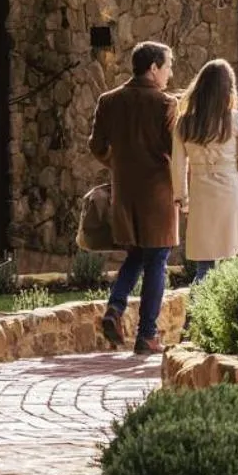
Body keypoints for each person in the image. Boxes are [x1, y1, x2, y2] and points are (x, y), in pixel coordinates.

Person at [88, 40, 179, 354]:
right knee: (157, 260)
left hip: (125, 193)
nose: (170, 73)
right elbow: (174, 151)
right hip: (158, 195)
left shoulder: (109, 100)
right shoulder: (165, 104)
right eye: (167, 66)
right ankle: (147, 335)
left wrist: (118, 164)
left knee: (136, 255)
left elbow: (96, 146)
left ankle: (114, 308)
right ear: (153, 68)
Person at [174, 58, 238, 280]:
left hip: (201, 198)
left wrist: (183, 200)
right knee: (236, 266)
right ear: (228, 90)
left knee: (204, 268)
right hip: (232, 197)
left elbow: (177, 165)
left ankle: (197, 313)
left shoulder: (184, 123)